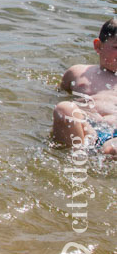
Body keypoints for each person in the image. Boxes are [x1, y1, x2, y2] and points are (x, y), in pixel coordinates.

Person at [51, 18, 117, 157]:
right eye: (116, 48)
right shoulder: (77, 72)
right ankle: (75, 159)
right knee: (64, 108)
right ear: (98, 46)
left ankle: (103, 156)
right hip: (84, 128)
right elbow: (57, 95)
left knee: (111, 149)